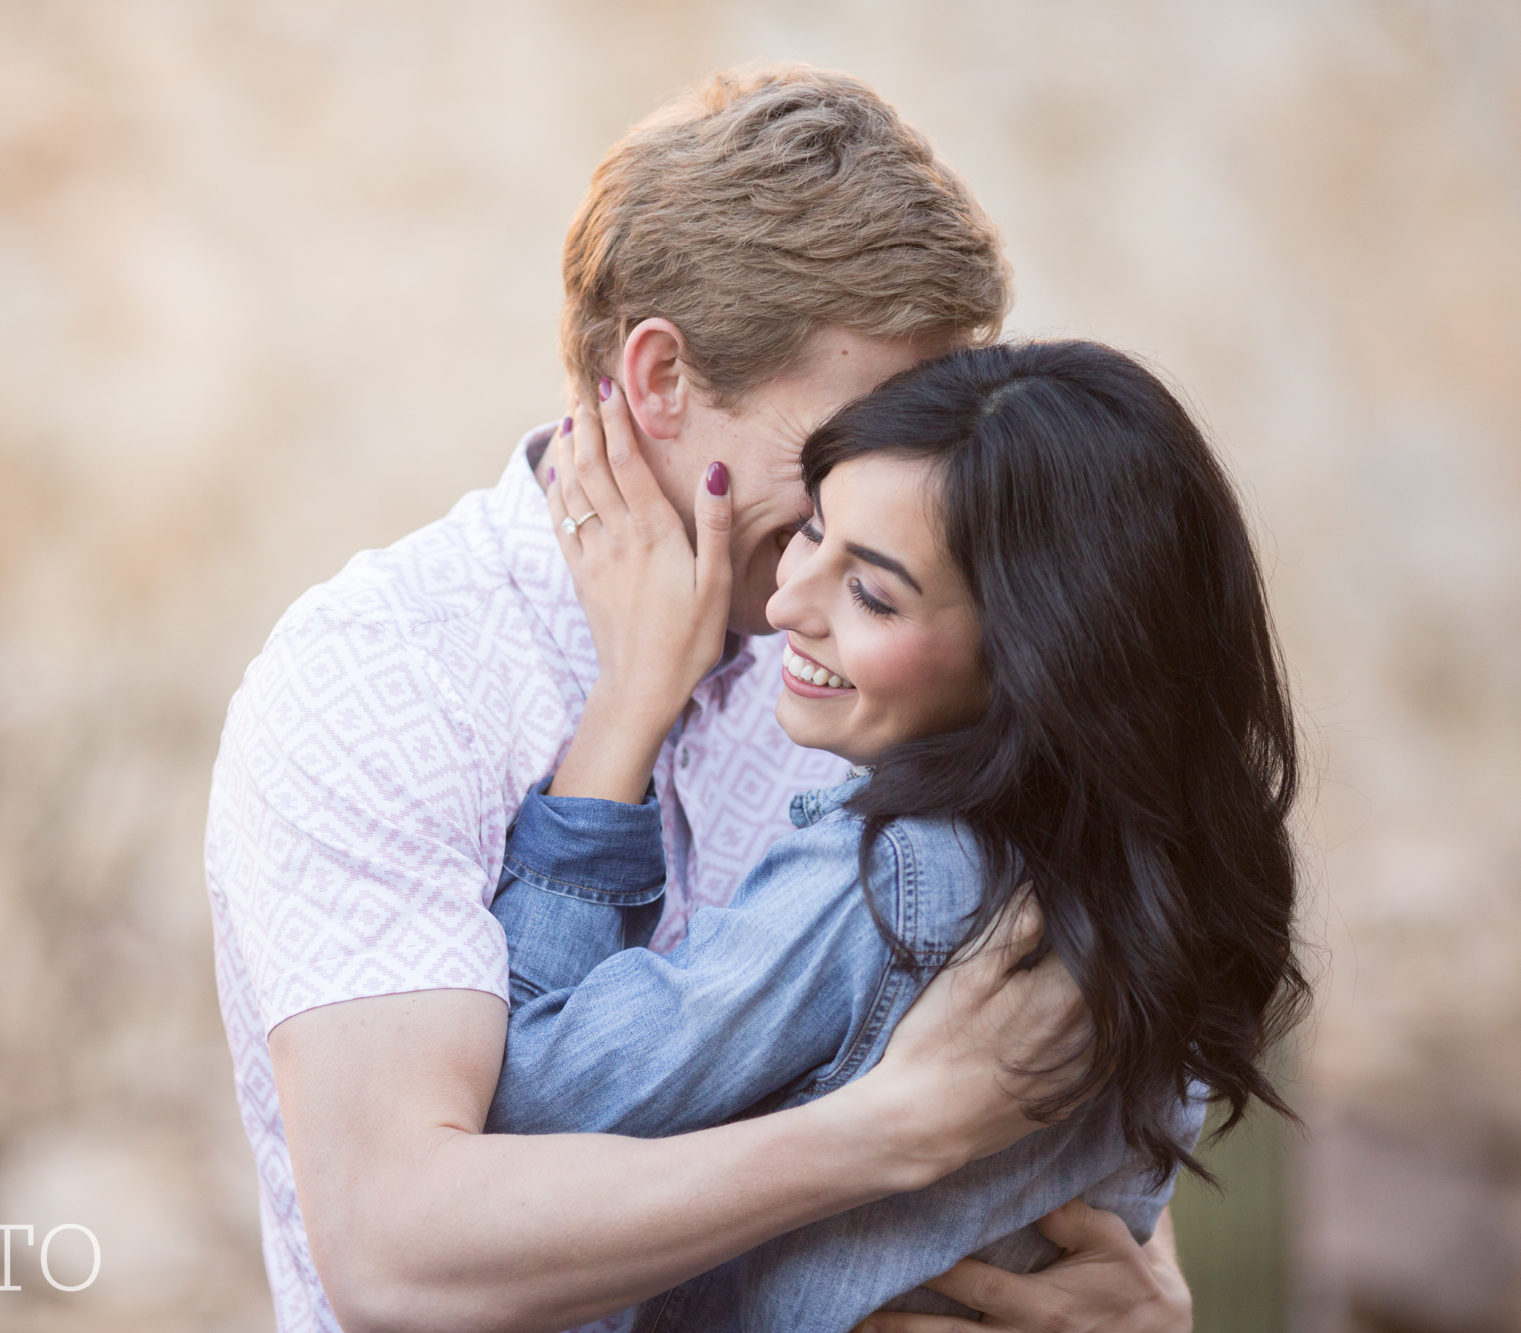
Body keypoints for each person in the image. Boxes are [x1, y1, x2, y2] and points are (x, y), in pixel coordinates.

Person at [206, 65, 1198, 1333]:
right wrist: (878, 1136)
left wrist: (1142, 1307)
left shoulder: (902, 663)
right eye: (853, 437)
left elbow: (1071, 1152)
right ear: (659, 377)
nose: (905, 485)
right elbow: (401, 1253)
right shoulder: (380, 673)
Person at [485, 341, 1309, 1329]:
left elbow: (522, 1113)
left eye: (871, 593)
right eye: (810, 529)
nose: (788, 602)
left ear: (1035, 655)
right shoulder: (1161, 874)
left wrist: (628, 703)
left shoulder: (900, 882)